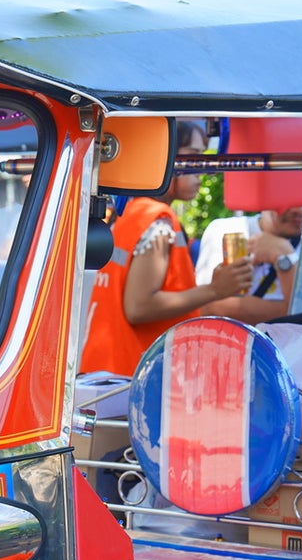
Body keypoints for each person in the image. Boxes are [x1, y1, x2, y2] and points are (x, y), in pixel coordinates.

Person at [79, 120, 254, 376]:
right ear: (165, 156)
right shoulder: (157, 220)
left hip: (103, 373)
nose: (200, 169)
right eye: (193, 156)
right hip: (127, 378)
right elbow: (138, 307)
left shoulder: (132, 213)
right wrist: (215, 289)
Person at [195, 205, 302, 323]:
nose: (300, 209)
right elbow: (208, 308)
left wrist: (284, 254)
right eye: (289, 198)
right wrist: (291, 311)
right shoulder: (226, 230)